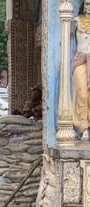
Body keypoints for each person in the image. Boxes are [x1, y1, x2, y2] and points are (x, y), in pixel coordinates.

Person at [73, 0, 90, 140]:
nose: (89, 7)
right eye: (87, 4)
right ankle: (82, 127)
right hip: (81, 61)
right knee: (82, 94)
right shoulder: (76, 21)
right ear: (83, 6)